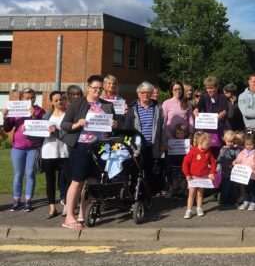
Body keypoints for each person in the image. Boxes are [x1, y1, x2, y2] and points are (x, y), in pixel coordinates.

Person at [61, 75, 117, 229]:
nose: (98, 91)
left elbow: (114, 126)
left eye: (100, 88)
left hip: (100, 147)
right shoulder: (77, 103)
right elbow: (64, 125)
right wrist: (77, 124)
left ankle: (83, 214)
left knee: (93, 182)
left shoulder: (107, 105)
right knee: (77, 182)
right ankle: (69, 217)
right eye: (95, 88)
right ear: (88, 88)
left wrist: (114, 124)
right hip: (80, 146)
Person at [3, 88, 46, 212]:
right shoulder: (15, 110)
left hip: (33, 148)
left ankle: (28, 201)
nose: (30, 100)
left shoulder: (40, 111)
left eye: (32, 97)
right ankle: (16, 200)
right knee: (18, 174)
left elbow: (41, 128)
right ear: (22, 98)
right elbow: (6, 129)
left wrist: (33, 116)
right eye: (27, 98)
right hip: (18, 148)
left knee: (30, 174)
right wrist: (5, 117)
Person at [125, 81, 165, 194]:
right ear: (138, 94)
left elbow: (162, 128)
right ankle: (134, 193)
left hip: (152, 145)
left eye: (148, 93)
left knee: (149, 170)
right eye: (143, 93)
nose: (145, 95)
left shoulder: (158, 108)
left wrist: (162, 143)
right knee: (135, 171)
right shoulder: (132, 109)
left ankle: (147, 195)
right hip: (137, 146)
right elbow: (127, 128)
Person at [41, 91, 71, 218]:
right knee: (50, 181)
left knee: (67, 180)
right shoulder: (46, 117)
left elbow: (70, 133)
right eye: (56, 100)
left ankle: (66, 206)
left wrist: (57, 131)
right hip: (48, 151)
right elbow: (39, 132)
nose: (59, 102)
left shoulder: (68, 116)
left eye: (61, 99)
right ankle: (52, 207)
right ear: (51, 102)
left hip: (64, 151)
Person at [182, 132, 216, 219]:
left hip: (203, 176)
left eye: (209, 144)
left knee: (200, 194)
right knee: (191, 194)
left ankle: (199, 208)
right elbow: (185, 163)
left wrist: (212, 172)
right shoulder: (193, 151)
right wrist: (187, 174)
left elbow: (212, 163)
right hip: (193, 177)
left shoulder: (208, 152)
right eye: (207, 144)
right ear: (200, 142)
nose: (209, 146)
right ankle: (189, 210)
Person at [194, 76, 229, 157]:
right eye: (207, 88)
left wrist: (224, 112)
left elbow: (225, 108)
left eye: (211, 88)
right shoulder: (204, 96)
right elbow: (199, 106)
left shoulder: (222, 97)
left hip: (220, 127)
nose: (209, 90)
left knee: (219, 149)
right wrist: (196, 109)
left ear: (217, 87)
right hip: (207, 127)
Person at [233, 133, 255, 211]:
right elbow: (238, 159)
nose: (248, 146)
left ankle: (253, 202)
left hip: (253, 175)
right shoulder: (243, 152)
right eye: (247, 144)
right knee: (246, 189)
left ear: (254, 144)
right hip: (244, 175)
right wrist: (235, 162)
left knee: (253, 190)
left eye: (250, 144)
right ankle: (246, 202)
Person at [166, 123, 190, 199]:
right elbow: (166, 149)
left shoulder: (187, 142)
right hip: (174, 163)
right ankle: (175, 191)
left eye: (181, 133)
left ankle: (183, 190)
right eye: (177, 133)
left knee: (183, 178)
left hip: (183, 164)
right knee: (175, 178)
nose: (179, 135)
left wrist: (190, 147)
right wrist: (168, 147)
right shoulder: (172, 142)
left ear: (184, 134)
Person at [217, 130, 240, 206]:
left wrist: (235, 164)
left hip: (234, 171)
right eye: (228, 141)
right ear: (225, 140)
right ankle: (223, 199)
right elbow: (220, 159)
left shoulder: (236, 150)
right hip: (225, 171)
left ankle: (232, 200)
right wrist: (228, 165)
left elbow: (239, 158)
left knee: (234, 186)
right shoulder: (223, 150)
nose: (230, 143)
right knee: (226, 186)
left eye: (232, 141)